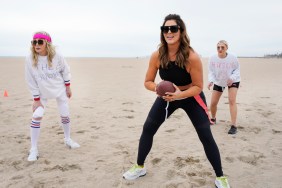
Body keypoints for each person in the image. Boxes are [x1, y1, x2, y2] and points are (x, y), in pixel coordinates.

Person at [123, 14, 230, 188]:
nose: (169, 32)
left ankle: (220, 176)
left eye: (173, 28)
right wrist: (159, 88)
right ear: (162, 32)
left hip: (191, 97)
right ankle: (139, 167)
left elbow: (198, 86)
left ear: (181, 31)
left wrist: (179, 94)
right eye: (165, 29)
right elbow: (147, 82)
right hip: (167, 97)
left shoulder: (192, 57)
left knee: (205, 136)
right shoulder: (157, 55)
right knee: (148, 129)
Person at [25, 31, 80, 162]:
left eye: (40, 41)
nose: (36, 44)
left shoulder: (57, 56)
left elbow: (65, 70)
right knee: (37, 115)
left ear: (47, 44)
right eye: (34, 42)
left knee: (65, 114)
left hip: (59, 89)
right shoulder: (29, 59)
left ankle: (67, 139)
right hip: (42, 92)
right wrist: (36, 99)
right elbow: (30, 80)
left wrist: (68, 86)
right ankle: (33, 149)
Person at [207, 40, 240, 134]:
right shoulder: (212, 58)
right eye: (218, 47)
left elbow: (237, 70)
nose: (220, 49)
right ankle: (213, 119)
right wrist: (211, 81)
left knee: (232, 100)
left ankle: (233, 126)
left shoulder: (233, 57)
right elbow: (211, 72)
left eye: (222, 47)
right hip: (219, 81)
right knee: (213, 103)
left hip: (233, 80)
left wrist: (232, 78)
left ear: (226, 48)